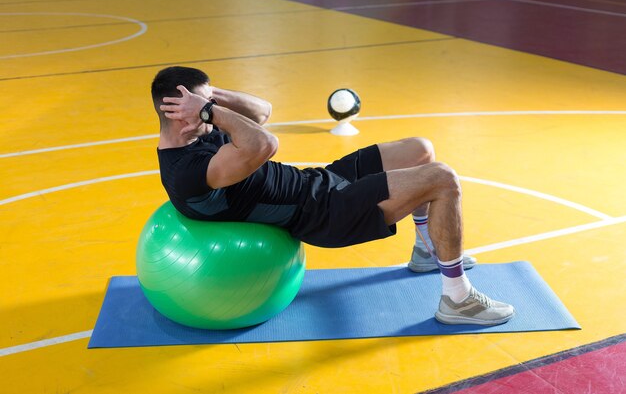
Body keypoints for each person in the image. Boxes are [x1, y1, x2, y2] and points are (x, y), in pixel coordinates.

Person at [151, 66, 514, 326]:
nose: (212, 112)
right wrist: (207, 109)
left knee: (420, 148)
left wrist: (210, 97)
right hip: (324, 214)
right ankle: (458, 298)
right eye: (204, 108)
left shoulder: (199, 129)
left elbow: (262, 112)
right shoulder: (187, 170)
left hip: (320, 181)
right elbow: (265, 143)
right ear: (179, 114)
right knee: (443, 179)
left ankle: (426, 251)